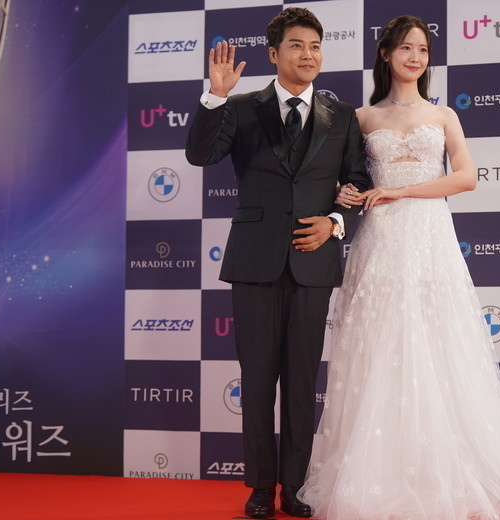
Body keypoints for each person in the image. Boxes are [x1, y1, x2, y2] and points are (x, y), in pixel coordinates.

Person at [297, 15, 500, 520]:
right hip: (379, 243)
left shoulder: (444, 115)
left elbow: (466, 177)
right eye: (405, 48)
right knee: (379, 351)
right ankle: (379, 477)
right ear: (386, 54)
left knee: (438, 348)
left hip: (431, 241)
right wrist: (347, 194)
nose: (415, 57)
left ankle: (443, 475)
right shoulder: (360, 118)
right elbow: (344, 180)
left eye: (422, 49)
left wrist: (401, 190)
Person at [185, 7, 369, 519]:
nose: (307, 54)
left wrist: (334, 221)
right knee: (258, 381)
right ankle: (261, 488)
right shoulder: (241, 107)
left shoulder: (342, 116)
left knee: (301, 384)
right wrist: (214, 96)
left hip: (313, 263)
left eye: (315, 46)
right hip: (254, 263)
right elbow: (200, 155)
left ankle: (296, 486)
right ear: (274, 54)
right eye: (296, 45)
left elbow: (357, 180)